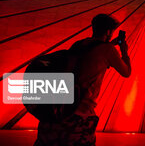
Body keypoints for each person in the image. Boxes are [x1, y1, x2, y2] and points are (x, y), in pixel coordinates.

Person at [34, 14, 131, 146]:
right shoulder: (108, 50)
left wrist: (108, 45)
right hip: (80, 117)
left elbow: (91, 56)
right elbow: (126, 72)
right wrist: (124, 52)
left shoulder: (78, 45)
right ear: (109, 31)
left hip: (58, 112)